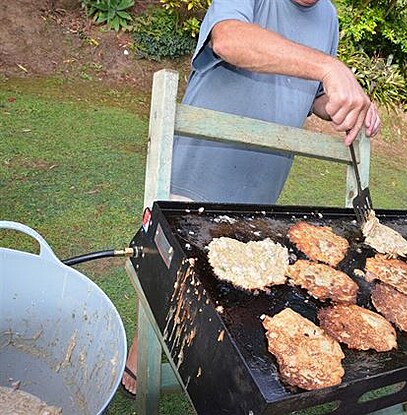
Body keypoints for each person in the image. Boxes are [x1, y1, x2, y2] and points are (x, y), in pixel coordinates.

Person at [121, 0, 380, 397]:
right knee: (169, 278)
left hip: (262, 182)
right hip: (200, 166)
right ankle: (137, 363)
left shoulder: (328, 17)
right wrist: (331, 67)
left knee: (225, 287)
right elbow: (228, 39)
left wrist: (346, 105)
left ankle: (198, 371)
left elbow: (313, 100)